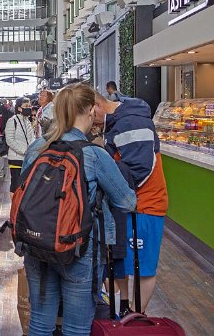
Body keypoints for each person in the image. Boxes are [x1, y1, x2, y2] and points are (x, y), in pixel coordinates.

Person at [21, 82, 137, 336]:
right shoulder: (94, 154)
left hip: (36, 244)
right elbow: (127, 202)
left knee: (40, 323)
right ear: (92, 110)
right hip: (80, 248)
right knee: (76, 328)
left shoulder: (36, 148)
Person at [94, 92, 168, 315]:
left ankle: (135, 319)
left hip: (144, 206)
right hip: (129, 205)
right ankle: (125, 310)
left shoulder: (130, 121)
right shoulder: (120, 121)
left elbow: (139, 169)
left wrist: (114, 189)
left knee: (142, 267)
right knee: (122, 263)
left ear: (96, 106)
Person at [5, 98, 36, 193]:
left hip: (28, 158)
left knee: (26, 184)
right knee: (16, 184)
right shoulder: (12, 121)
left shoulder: (27, 121)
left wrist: (32, 149)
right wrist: (24, 150)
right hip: (16, 158)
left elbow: (32, 137)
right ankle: (14, 206)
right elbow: (10, 140)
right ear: (19, 108)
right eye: (26, 106)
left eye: (29, 106)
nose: (29, 108)